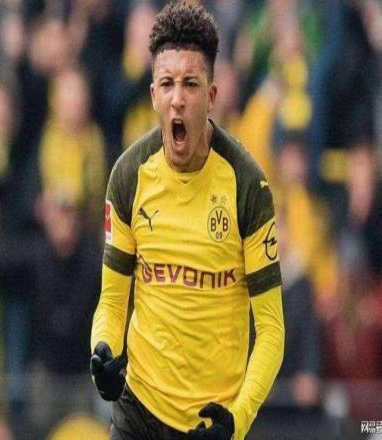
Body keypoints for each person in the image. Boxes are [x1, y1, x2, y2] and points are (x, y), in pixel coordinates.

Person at [90, 2, 284, 440]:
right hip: (138, 411)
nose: (178, 98)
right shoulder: (128, 175)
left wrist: (237, 419)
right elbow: (112, 301)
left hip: (210, 424)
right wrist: (103, 351)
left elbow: (272, 330)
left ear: (212, 96)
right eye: (167, 84)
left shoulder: (247, 186)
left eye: (191, 84)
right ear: (153, 94)